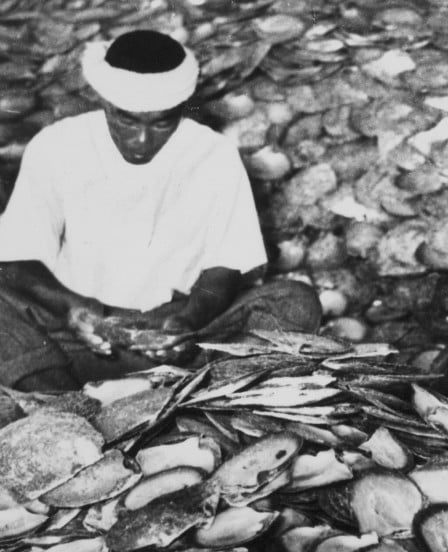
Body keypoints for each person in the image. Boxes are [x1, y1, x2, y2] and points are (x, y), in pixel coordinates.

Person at [0, 30, 320, 391]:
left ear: (182, 108)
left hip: (175, 333)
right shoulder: (57, 145)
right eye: (126, 119)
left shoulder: (213, 154)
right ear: (103, 101)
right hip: (75, 334)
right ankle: (61, 405)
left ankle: (191, 387)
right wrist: (76, 309)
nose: (140, 141)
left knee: (295, 301)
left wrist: (187, 321)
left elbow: (225, 265)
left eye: (160, 123)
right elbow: (15, 259)